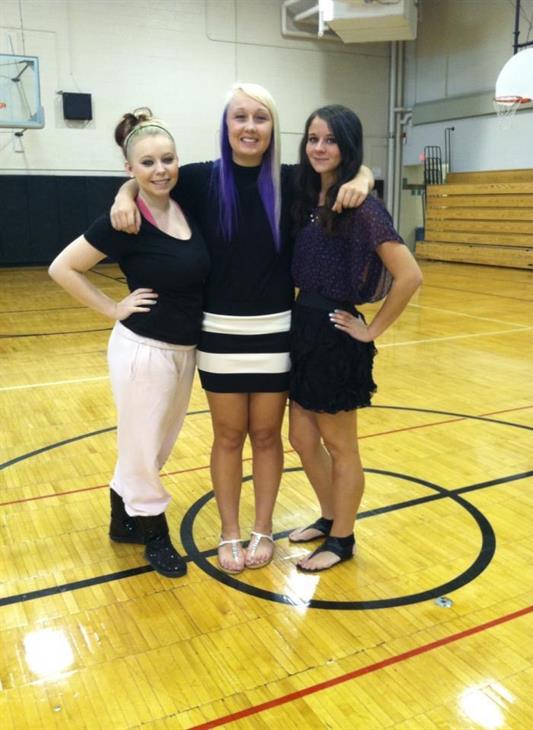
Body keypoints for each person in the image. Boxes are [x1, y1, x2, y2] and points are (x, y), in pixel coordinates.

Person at [111, 84, 375, 575]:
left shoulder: (292, 180)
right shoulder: (199, 179)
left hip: (276, 331)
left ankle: (262, 529)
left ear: (273, 126)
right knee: (229, 436)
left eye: (260, 117)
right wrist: (123, 193)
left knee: (267, 436)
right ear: (226, 125)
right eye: (240, 117)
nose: (250, 127)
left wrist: (365, 174)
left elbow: (344, 169)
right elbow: (148, 178)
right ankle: (229, 530)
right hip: (218, 333)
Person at [48, 109, 210, 578]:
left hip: (184, 351)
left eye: (168, 159)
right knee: (142, 447)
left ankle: (122, 519)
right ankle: (154, 533)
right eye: (147, 163)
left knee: (156, 445)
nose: (160, 170)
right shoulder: (124, 220)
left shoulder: (186, 202)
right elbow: (62, 267)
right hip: (144, 351)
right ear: (129, 168)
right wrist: (112, 308)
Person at [287, 105, 423, 572]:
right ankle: (330, 517)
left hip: (334, 334)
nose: (319, 147)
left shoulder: (362, 207)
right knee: (302, 439)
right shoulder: (307, 196)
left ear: (347, 146)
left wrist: (371, 330)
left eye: (330, 140)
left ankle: (342, 539)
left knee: (341, 445)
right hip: (303, 328)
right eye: (312, 138)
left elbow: (409, 275)